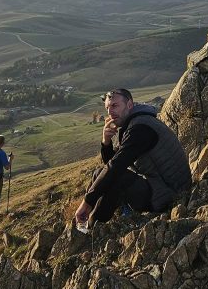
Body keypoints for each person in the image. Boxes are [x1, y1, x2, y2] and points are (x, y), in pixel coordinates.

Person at [73, 88, 191, 229]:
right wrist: (106, 142)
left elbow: (116, 167)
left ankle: (90, 229)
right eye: (107, 108)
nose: (110, 112)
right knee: (100, 173)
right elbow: (111, 164)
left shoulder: (141, 128)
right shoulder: (137, 123)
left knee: (118, 179)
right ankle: (87, 224)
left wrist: (87, 201)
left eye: (115, 106)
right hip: (160, 186)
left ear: (129, 105)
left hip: (171, 194)